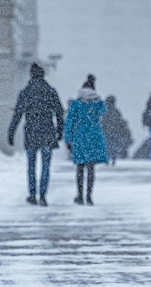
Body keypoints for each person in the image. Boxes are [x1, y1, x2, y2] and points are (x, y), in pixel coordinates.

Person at [7, 62, 64, 207]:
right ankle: (43, 195)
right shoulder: (50, 91)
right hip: (47, 132)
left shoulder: (26, 92)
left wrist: (11, 132)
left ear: (31, 75)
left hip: (31, 132)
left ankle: (32, 194)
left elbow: (18, 114)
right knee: (45, 165)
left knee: (31, 165)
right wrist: (60, 130)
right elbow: (59, 112)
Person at [64, 74, 107, 205]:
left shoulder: (77, 104)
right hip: (94, 137)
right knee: (91, 168)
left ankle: (79, 196)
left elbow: (70, 122)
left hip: (80, 137)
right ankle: (89, 196)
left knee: (80, 168)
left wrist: (68, 139)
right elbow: (104, 113)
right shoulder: (98, 103)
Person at [102, 95, 132, 165]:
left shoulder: (104, 109)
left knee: (107, 146)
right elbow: (119, 120)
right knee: (113, 146)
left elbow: (102, 120)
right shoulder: (116, 110)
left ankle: (107, 159)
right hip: (114, 131)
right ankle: (113, 159)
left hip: (106, 131)